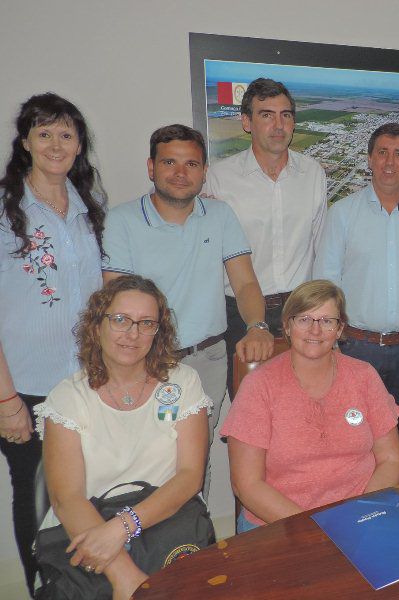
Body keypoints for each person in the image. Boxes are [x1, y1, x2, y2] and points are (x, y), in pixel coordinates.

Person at [102, 124, 274, 497]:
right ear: (151, 168)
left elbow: (244, 283)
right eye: (169, 162)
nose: (181, 173)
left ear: (203, 171)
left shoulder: (219, 215)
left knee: (196, 460)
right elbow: (116, 298)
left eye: (191, 164)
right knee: (147, 459)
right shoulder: (122, 220)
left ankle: (192, 546)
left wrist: (258, 325)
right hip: (143, 360)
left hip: (206, 360)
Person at [34, 275, 211, 600]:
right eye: (120, 320)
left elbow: (189, 478)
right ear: (97, 325)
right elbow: (67, 499)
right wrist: (124, 575)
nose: (133, 333)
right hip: (88, 527)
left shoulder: (182, 384)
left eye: (146, 323)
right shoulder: (67, 397)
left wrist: (123, 526)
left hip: (164, 519)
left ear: (158, 331)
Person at [0, 92, 105, 597]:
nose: (56, 144)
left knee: (81, 494)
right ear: (26, 142)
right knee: (38, 500)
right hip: (26, 389)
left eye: (66, 134)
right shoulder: (5, 212)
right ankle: (46, 588)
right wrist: (6, 399)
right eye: (45, 133)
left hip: (85, 383)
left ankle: (81, 585)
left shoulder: (88, 211)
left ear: (79, 144)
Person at [222, 280, 399, 533]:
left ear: (339, 329)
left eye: (327, 321)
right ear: (286, 325)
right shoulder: (259, 386)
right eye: (304, 319)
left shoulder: (364, 376)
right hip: (280, 524)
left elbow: (390, 458)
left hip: (359, 516)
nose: (315, 331)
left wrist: (362, 513)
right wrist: (319, 530)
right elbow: (247, 485)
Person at [205, 78, 327, 398]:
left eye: (286, 115)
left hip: (301, 311)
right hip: (241, 313)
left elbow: (320, 245)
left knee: (303, 408)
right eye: (266, 115)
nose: (278, 125)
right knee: (251, 413)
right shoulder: (219, 178)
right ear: (247, 122)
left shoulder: (313, 173)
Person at [314, 123, 399, 405]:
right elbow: (326, 282)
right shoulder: (343, 214)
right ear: (370, 159)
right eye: (382, 152)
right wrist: (330, 341)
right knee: (355, 432)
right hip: (356, 347)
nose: (389, 162)